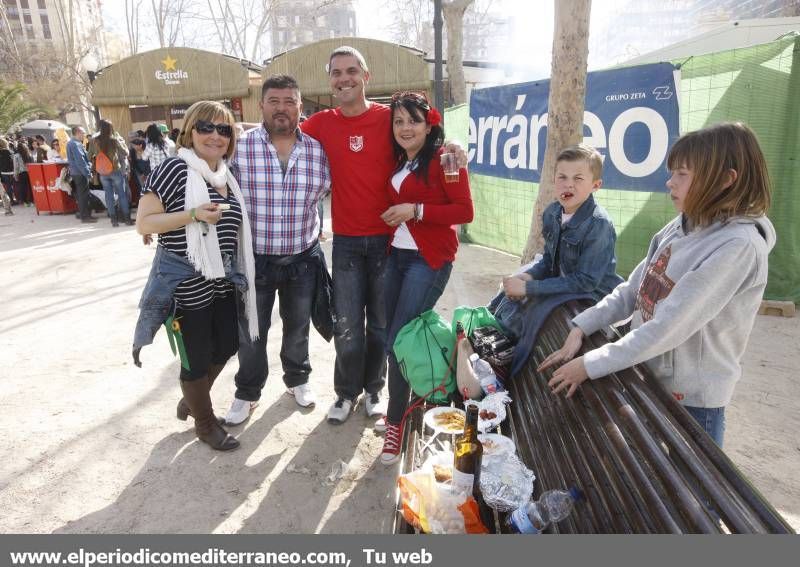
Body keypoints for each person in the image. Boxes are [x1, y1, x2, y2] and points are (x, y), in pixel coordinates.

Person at [540, 122, 775, 448]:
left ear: (725, 180)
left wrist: (590, 364)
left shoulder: (738, 246)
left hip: (691, 401)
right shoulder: (680, 226)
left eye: (682, 174)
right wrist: (583, 325)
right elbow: (631, 290)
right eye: (672, 172)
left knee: (695, 494)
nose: (670, 182)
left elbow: (667, 328)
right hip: (648, 373)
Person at [301, 45, 466, 424]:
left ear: (366, 76)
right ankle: (345, 393)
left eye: (351, 71)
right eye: (337, 72)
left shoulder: (388, 118)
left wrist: (454, 146)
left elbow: (426, 134)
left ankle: (374, 388)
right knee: (346, 325)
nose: (344, 78)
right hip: (344, 242)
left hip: (387, 242)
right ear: (330, 80)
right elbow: (280, 135)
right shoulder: (321, 123)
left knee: (380, 324)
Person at [133, 100, 259, 451]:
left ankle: (193, 400)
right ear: (190, 131)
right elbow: (144, 223)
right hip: (186, 279)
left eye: (224, 129)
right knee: (197, 355)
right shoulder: (174, 169)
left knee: (229, 344)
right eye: (206, 127)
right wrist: (193, 215)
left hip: (221, 277)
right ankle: (204, 422)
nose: (215, 136)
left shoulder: (226, 176)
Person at [224, 74, 331, 425]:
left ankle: (297, 380)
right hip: (255, 260)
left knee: (298, 326)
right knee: (251, 332)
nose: (282, 108)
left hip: (302, 258)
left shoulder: (318, 151)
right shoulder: (239, 148)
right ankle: (247, 393)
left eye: (289, 102)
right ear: (262, 106)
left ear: (301, 106)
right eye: (274, 101)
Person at [378, 92, 474, 464]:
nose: (405, 128)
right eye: (398, 121)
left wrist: (414, 209)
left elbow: (464, 211)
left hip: (428, 258)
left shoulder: (446, 157)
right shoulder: (403, 159)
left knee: (398, 340)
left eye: (413, 121)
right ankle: (404, 411)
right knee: (395, 336)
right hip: (397, 256)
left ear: (429, 122)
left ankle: (395, 422)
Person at [491, 144, 623, 340]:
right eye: (562, 177)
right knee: (505, 297)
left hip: (592, 295)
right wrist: (528, 277)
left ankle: (509, 354)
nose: (568, 185)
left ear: (595, 185)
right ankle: (490, 336)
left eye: (578, 178)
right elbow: (548, 260)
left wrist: (529, 288)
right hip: (563, 284)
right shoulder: (552, 213)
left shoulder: (599, 224)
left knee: (533, 311)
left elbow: (585, 282)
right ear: (553, 180)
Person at [88, 119, 132, 226]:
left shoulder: (94, 140)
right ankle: (127, 219)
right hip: (115, 170)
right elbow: (125, 153)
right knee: (121, 195)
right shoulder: (114, 140)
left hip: (103, 172)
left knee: (109, 196)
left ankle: (113, 220)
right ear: (110, 128)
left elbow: (89, 156)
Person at [67, 126, 97, 223]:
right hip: (80, 173)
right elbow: (80, 161)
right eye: (83, 133)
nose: (84, 135)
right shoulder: (75, 144)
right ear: (78, 132)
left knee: (81, 194)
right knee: (83, 195)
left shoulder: (71, 143)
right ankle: (85, 216)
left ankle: (83, 214)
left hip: (76, 172)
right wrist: (88, 173)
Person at [13, 139, 34, 207]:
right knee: (30, 187)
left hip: (22, 173)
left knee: (23, 187)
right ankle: (31, 201)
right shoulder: (29, 154)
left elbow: (16, 167)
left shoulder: (16, 156)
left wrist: (15, 175)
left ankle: (24, 202)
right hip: (29, 172)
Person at [0, 138, 14, 214]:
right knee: (11, 187)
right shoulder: (9, 151)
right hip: (10, 171)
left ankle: (10, 201)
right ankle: (11, 200)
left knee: (7, 188)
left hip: (3, 172)